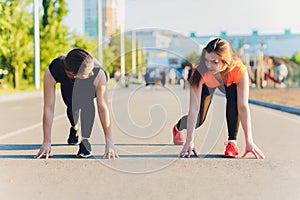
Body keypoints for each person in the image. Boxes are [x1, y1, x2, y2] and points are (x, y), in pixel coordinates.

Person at [172, 38, 265, 159]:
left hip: (229, 82)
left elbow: (242, 106)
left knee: (234, 101)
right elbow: (194, 108)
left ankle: (232, 143)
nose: (209, 65)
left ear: (225, 62)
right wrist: (189, 141)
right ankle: (177, 128)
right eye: (206, 60)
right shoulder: (201, 70)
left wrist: (249, 141)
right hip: (208, 83)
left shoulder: (238, 71)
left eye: (214, 62)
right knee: (199, 118)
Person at [35, 48, 119, 159]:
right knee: (72, 107)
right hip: (68, 86)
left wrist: (109, 142)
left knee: (86, 104)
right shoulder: (54, 70)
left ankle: (85, 142)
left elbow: (103, 108)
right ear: (72, 73)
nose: (92, 73)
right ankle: (74, 128)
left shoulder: (98, 73)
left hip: (89, 88)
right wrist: (46, 142)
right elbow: (48, 107)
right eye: (88, 72)